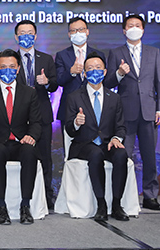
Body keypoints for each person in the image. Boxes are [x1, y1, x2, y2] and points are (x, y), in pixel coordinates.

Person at [103, 14, 160, 211]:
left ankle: (150, 196)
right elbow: (108, 84)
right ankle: (123, 197)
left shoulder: (153, 52)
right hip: (125, 112)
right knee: (123, 156)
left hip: (149, 112)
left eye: (137, 25)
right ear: (123, 30)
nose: (134, 28)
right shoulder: (115, 53)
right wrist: (119, 73)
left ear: (143, 30)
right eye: (130, 26)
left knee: (150, 157)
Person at [0, 49, 41, 225]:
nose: (8, 70)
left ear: (18, 68)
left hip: (20, 142)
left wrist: (31, 136)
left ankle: (25, 206)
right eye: (3, 67)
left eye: (12, 66)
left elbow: (36, 122)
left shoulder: (29, 93)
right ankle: (0, 206)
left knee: (30, 153)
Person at [64, 52, 130, 221]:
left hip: (107, 143)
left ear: (105, 71)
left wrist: (117, 138)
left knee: (121, 154)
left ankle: (116, 204)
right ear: (84, 74)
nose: (94, 72)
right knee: (95, 154)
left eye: (98, 68)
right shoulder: (74, 97)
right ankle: (101, 204)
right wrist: (77, 123)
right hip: (83, 145)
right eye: (90, 69)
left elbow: (121, 126)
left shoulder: (114, 98)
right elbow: (70, 130)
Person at [14, 19, 59, 208]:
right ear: (16, 37)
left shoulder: (46, 59)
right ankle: (24, 197)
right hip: (19, 117)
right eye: (22, 33)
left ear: (35, 35)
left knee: (45, 158)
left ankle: (48, 197)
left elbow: (55, 84)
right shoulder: (10, 60)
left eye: (29, 32)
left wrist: (47, 81)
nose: (26, 36)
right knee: (23, 157)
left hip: (42, 116)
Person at [55, 18, 105, 154]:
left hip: (94, 108)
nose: (78, 33)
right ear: (69, 34)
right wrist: (71, 72)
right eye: (74, 31)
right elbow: (58, 80)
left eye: (81, 29)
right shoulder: (62, 55)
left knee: (95, 150)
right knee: (70, 151)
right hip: (69, 109)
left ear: (87, 31)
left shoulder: (98, 55)